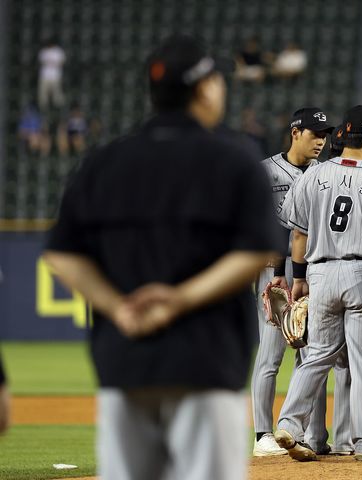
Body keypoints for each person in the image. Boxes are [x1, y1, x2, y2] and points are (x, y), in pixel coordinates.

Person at [42, 35, 283, 480]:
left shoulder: (105, 161)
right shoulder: (233, 159)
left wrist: (119, 308)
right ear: (207, 88)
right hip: (205, 360)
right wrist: (178, 300)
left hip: (124, 359)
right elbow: (254, 252)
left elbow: (62, 254)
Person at [274, 105, 362, 462]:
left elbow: (297, 230)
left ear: (342, 136)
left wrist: (299, 280)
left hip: (321, 272)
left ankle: (290, 424)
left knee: (317, 356)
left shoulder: (312, 175)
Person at [251, 106, 352, 457]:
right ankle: (263, 432)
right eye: (314, 134)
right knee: (271, 354)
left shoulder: (326, 173)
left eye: (324, 135)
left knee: (310, 355)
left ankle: (305, 432)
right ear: (295, 133)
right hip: (275, 273)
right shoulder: (267, 170)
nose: (320, 141)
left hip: (313, 273)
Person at [37, 38, 66, 111]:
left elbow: (62, 62)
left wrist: (52, 63)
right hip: (45, 75)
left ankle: (58, 106)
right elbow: (41, 61)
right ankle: (43, 107)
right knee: (43, 93)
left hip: (55, 75)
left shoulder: (58, 51)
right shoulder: (44, 51)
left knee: (56, 92)